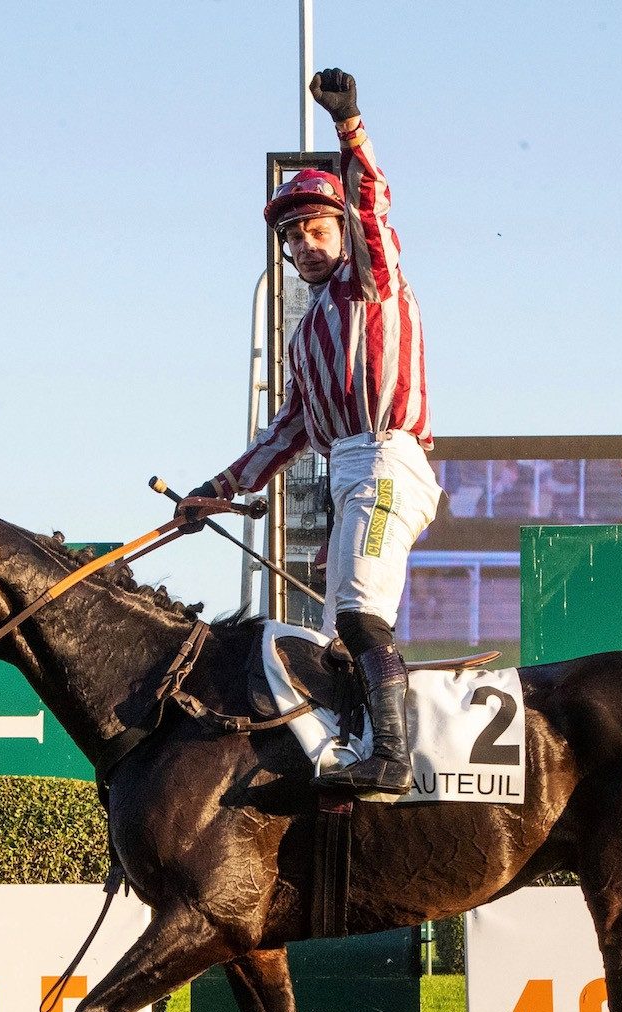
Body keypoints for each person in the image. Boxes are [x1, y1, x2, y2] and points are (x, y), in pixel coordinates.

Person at [180, 68, 437, 800]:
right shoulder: (305, 335)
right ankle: (358, 751)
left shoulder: (372, 281)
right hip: (347, 473)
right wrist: (214, 492)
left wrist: (349, 123)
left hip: (390, 456)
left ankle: (393, 756)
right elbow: (286, 431)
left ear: (342, 232)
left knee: (357, 615)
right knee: (332, 647)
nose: (305, 247)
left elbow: (373, 201)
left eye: (316, 230)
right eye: (294, 238)